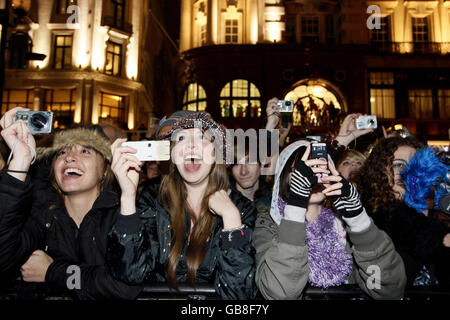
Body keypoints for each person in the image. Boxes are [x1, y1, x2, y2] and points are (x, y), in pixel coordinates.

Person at [107, 112, 258, 300]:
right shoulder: (153, 200)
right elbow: (130, 273)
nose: (191, 145)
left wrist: (231, 220)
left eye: (202, 137)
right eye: (181, 138)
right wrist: (128, 198)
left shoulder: (242, 210)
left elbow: (240, 297)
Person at [0, 107, 142, 300]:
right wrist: (20, 162)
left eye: (85, 151)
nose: (70, 157)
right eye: (62, 152)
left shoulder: (123, 215)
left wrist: (51, 271)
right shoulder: (41, 215)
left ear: (105, 171)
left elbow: (123, 287)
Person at [253, 140, 407, 300]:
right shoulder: (269, 224)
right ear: (284, 178)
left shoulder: (344, 225)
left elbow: (386, 290)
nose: (314, 178)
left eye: (319, 170)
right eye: (303, 171)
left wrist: (359, 221)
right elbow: (280, 293)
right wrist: (296, 204)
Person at [353, 136, 450, 288]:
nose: (407, 173)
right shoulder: (375, 216)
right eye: (399, 165)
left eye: (414, 165)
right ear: (379, 171)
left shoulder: (431, 214)